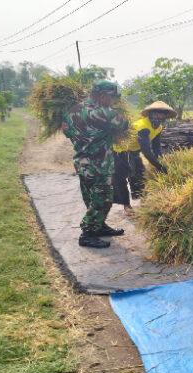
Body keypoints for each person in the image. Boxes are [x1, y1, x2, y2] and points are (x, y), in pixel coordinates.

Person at [62, 80, 129, 249]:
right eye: (111, 97)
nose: (113, 101)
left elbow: (66, 131)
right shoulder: (105, 112)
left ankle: (99, 226)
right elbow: (124, 125)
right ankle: (87, 233)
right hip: (99, 164)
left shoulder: (73, 110)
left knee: (91, 198)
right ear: (102, 95)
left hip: (82, 162)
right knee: (104, 199)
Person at [112, 101, 176, 213]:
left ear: (166, 116)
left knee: (139, 174)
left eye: (162, 113)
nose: (159, 116)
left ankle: (141, 201)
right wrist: (159, 166)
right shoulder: (143, 127)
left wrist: (161, 160)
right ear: (151, 114)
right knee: (123, 176)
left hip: (134, 150)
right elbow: (146, 151)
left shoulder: (159, 127)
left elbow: (156, 147)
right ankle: (127, 206)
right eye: (157, 113)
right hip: (121, 150)